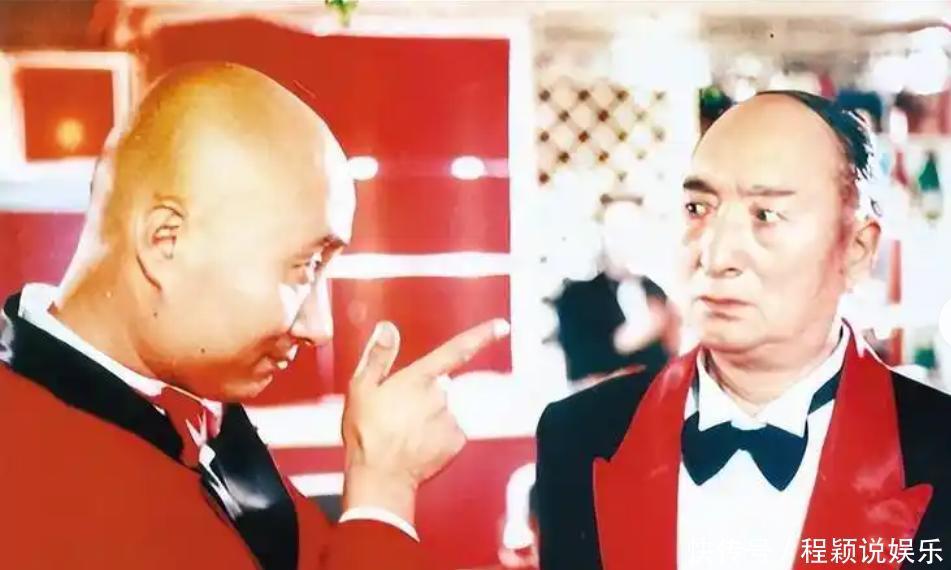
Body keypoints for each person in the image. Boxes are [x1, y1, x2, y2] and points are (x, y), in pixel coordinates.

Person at [0, 62, 509, 570]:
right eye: (303, 268)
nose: (319, 329)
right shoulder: (30, 472)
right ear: (165, 242)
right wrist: (383, 488)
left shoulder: (178, 405)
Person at [535, 91, 950, 570]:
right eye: (698, 208)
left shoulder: (938, 444)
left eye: (765, 215)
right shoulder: (578, 434)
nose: (715, 254)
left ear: (857, 249)